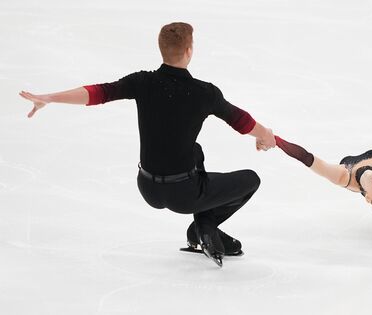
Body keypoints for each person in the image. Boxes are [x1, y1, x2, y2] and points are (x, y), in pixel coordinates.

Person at [19, 22, 276, 267]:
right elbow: (239, 120)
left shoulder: (143, 82)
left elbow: (99, 92)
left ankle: (203, 226)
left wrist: (50, 97)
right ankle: (205, 225)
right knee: (250, 180)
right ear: (189, 51)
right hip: (184, 195)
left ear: (162, 49)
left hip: (148, 188)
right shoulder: (204, 93)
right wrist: (265, 135)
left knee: (195, 151)